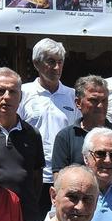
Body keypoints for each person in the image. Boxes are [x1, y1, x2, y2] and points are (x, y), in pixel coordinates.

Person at [0, 67, 45, 221]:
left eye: (13, 92)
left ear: (21, 97)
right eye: (0, 91)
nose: (7, 97)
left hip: (26, 219)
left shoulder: (32, 134)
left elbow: (36, 178)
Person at [52, 75, 112, 182]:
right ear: (78, 103)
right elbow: (59, 181)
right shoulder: (65, 137)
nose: (100, 106)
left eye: (104, 100)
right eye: (94, 100)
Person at [20, 38, 76, 194]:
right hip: (32, 175)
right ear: (36, 63)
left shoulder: (72, 95)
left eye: (60, 62)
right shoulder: (23, 93)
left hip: (64, 177)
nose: (57, 67)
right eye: (51, 62)